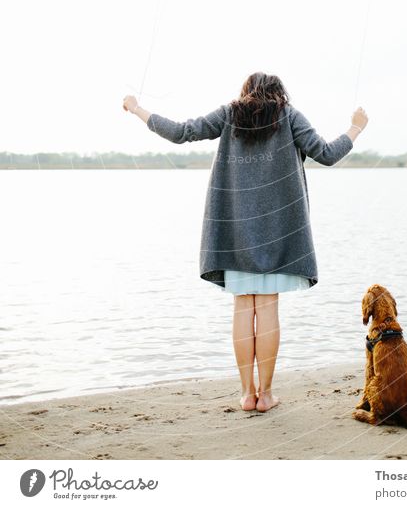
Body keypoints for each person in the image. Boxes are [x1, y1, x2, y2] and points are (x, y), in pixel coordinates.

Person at [123, 72, 368, 412]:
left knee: (243, 306)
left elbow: (180, 132)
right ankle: (266, 395)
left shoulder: (229, 115)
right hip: (280, 232)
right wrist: (356, 127)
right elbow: (326, 153)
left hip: (235, 231)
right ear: (279, 94)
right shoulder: (290, 116)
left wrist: (137, 109)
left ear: (246, 93)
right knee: (267, 307)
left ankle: (246, 393)